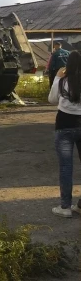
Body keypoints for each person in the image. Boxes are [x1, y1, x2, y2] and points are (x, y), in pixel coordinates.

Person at [48, 50, 81, 218]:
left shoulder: (63, 80)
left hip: (64, 126)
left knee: (66, 168)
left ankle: (65, 207)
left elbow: (52, 100)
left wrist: (57, 78)